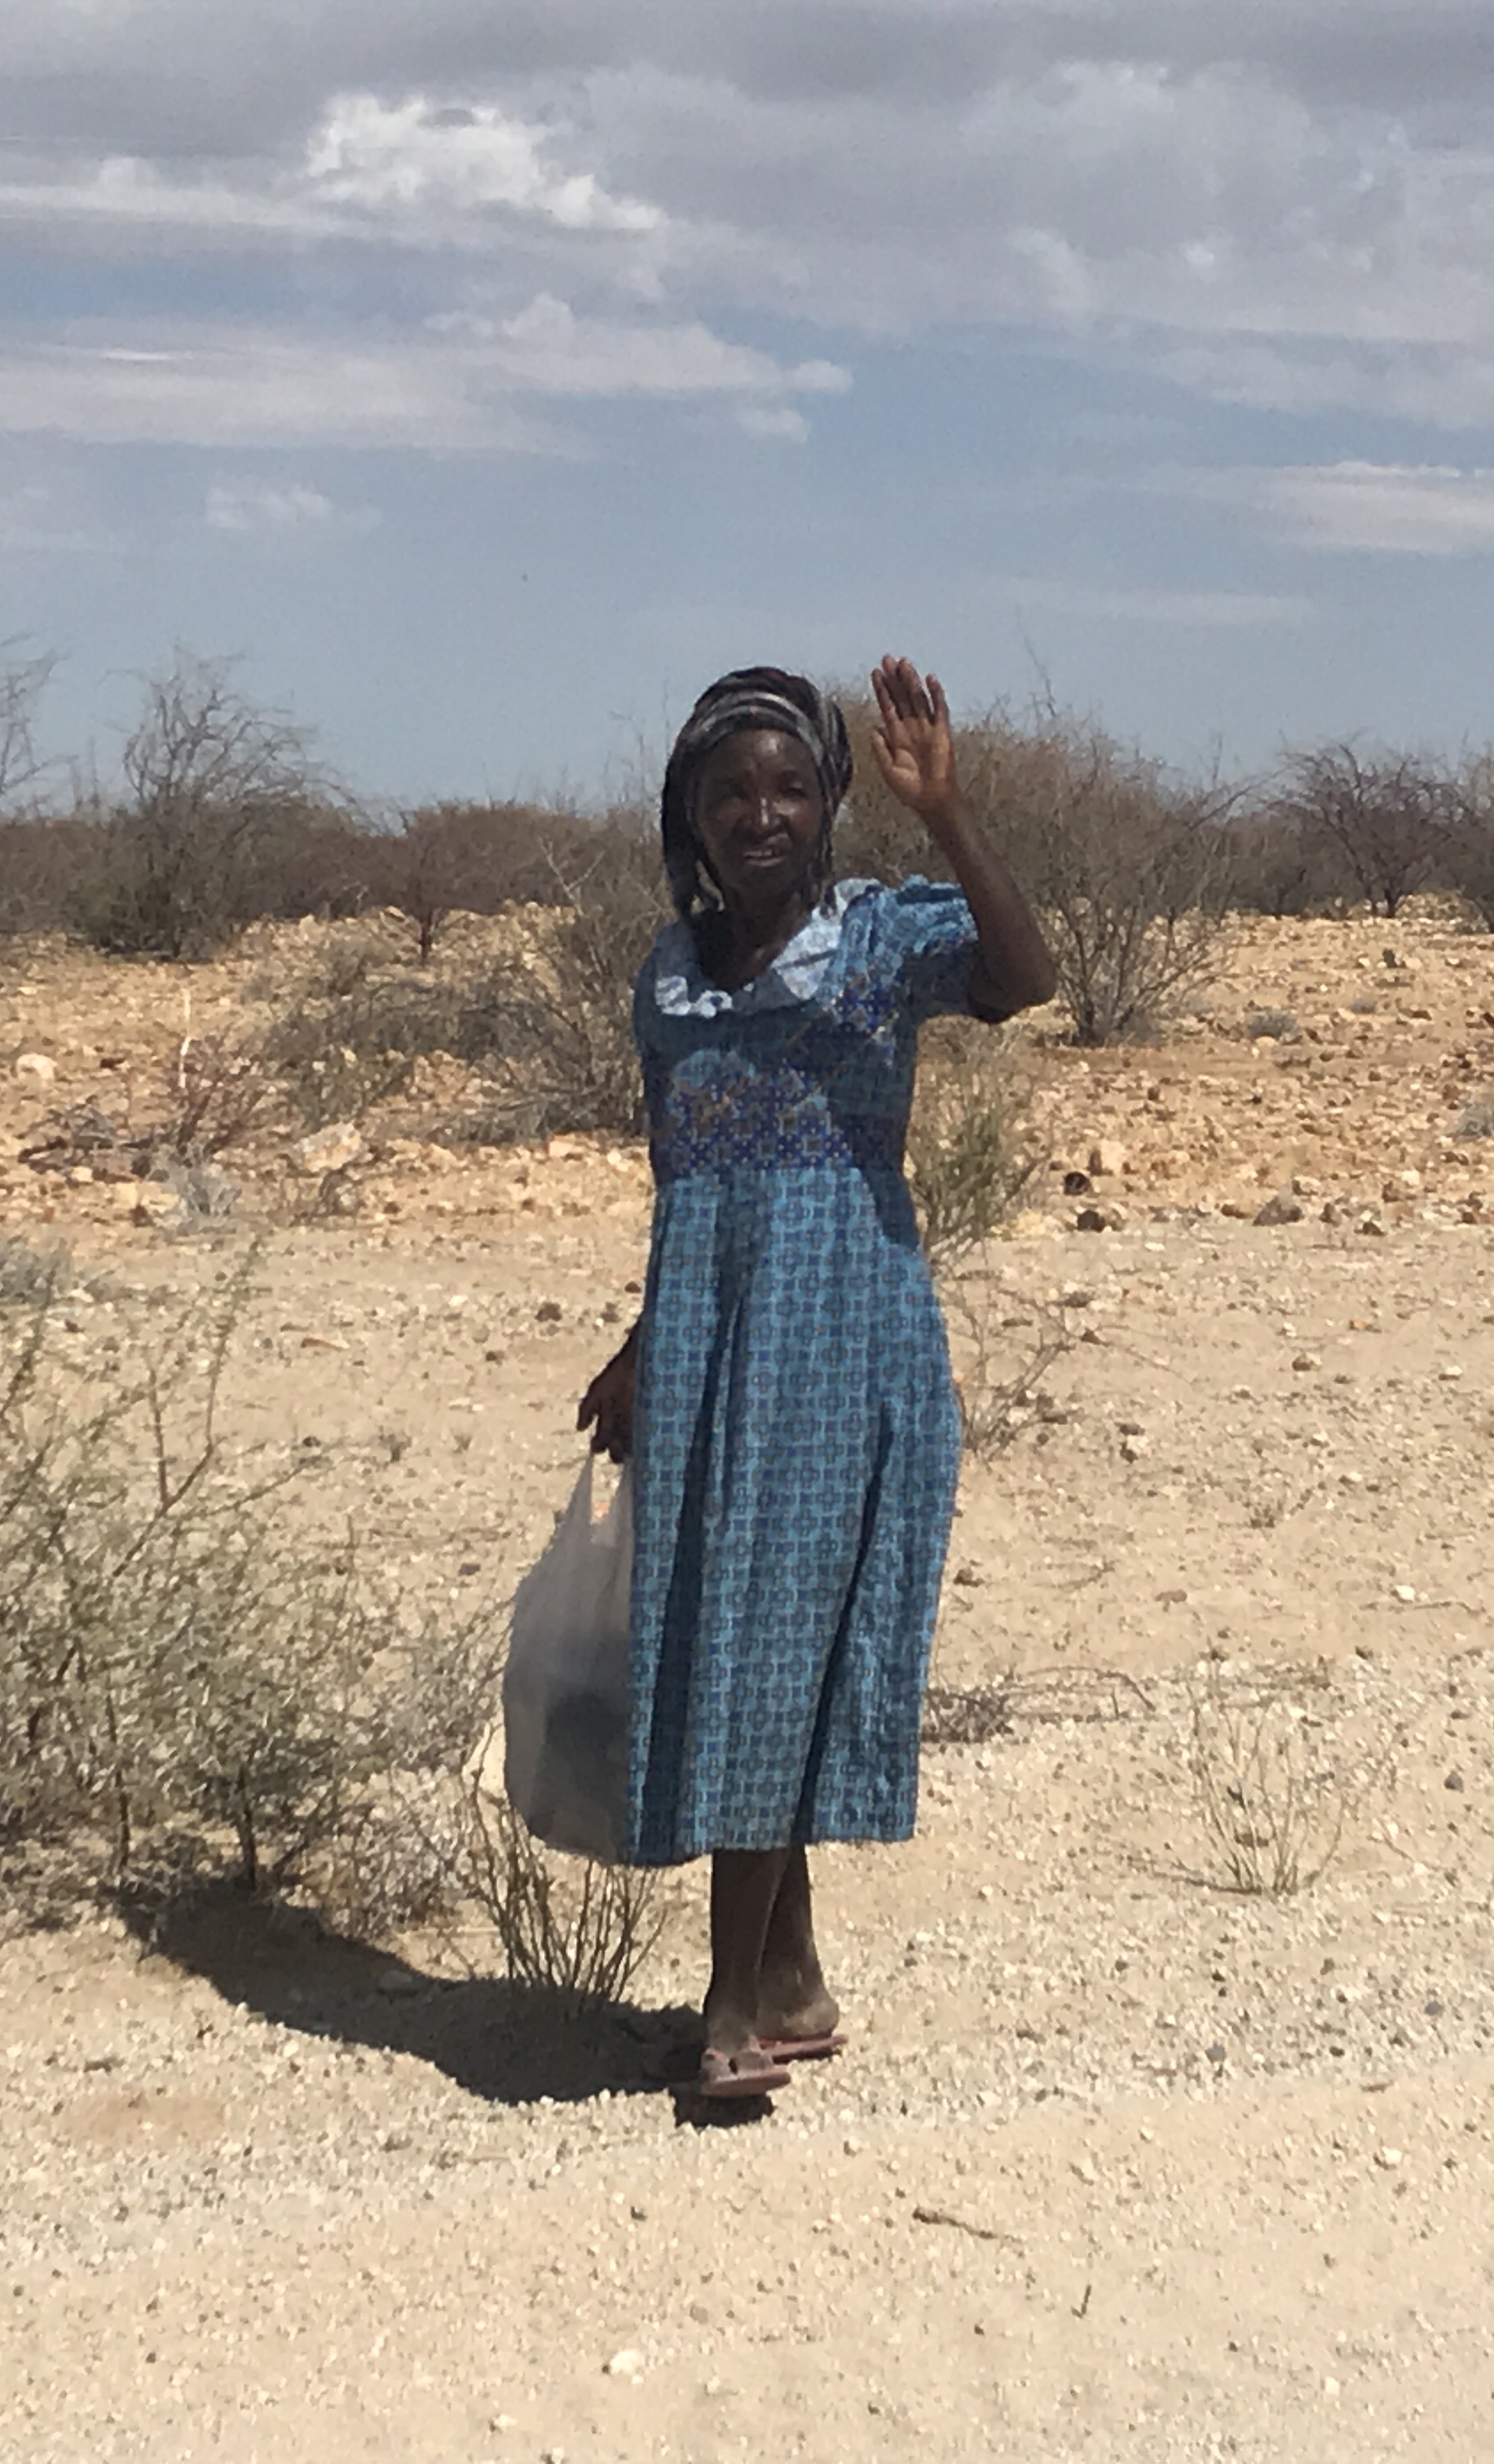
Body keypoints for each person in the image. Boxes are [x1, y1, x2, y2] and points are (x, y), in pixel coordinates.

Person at [576, 657, 1057, 2101]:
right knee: (727, 1634)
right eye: (733, 791)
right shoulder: (668, 981)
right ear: (691, 813)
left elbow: (1024, 980)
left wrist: (949, 814)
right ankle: (790, 1976)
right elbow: (681, 1175)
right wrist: (646, 1342)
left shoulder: (881, 940)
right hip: (711, 1340)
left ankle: (730, 2004)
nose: (763, 814)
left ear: (831, 802)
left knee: (768, 1644)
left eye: (791, 786)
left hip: (845, 1338)